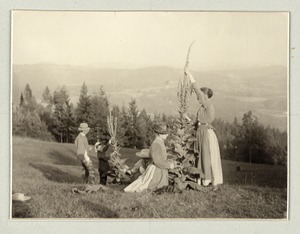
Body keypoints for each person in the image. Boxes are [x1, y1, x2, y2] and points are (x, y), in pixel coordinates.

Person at [184, 65, 223, 187]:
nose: (198, 99)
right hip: (201, 132)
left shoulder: (208, 104)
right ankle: (202, 178)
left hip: (205, 133)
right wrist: (186, 117)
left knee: (206, 155)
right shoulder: (202, 109)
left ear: (205, 96)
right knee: (200, 155)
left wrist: (189, 74)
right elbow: (195, 122)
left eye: (199, 97)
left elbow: (197, 90)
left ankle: (207, 178)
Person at [124, 123, 177, 192]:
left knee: (162, 187)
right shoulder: (156, 144)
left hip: (160, 169)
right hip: (157, 170)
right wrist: (169, 166)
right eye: (165, 133)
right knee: (152, 187)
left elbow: (161, 158)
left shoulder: (160, 142)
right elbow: (157, 161)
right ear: (159, 134)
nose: (167, 135)